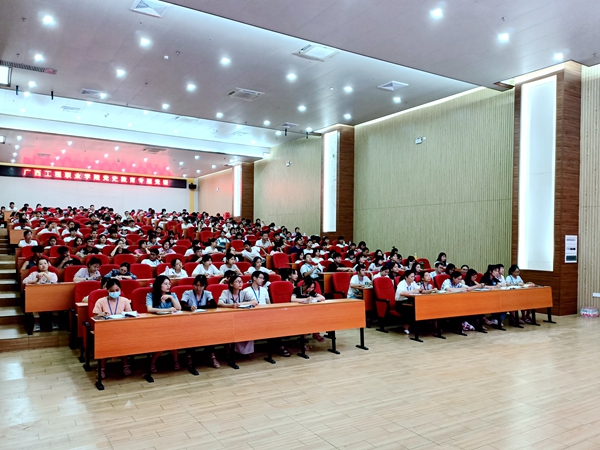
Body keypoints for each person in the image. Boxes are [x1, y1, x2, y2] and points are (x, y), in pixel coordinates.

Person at [92, 279, 133, 378]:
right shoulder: (101, 301)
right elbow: (94, 317)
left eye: (117, 290)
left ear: (120, 289)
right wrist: (101, 314)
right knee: (106, 343)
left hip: (121, 328)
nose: (115, 292)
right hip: (105, 330)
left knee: (123, 340)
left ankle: (125, 365)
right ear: (107, 290)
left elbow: (130, 315)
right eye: (112, 291)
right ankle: (101, 368)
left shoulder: (125, 300)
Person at [180, 275, 220, 372]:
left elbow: (214, 305)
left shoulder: (207, 293)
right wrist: (189, 308)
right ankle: (189, 356)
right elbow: (181, 306)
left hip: (204, 321)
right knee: (191, 335)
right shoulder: (187, 293)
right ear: (193, 285)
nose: (198, 288)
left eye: (201, 286)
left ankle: (212, 355)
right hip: (190, 321)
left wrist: (199, 307)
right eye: (196, 285)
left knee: (210, 333)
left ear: (204, 286)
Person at [145, 275, 182, 372]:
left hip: (171, 324)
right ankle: (152, 362)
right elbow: (150, 309)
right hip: (156, 324)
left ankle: (175, 360)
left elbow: (179, 308)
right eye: (165, 284)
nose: (168, 286)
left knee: (173, 339)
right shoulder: (150, 295)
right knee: (164, 341)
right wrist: (168, 309)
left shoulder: (172, 295)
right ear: (159, 285)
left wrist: (171, 297)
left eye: (169, 284)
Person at [218, 274, 258, 355]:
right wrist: (231, 305)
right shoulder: (225, 292)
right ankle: (230, 349)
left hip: (241, 319)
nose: (240, 283)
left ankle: (245, 352)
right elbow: (219, 303)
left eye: (241, 281)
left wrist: (240, 304)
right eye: (237, 281)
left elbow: (255, 302)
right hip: (228, 319)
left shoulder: (244, 292)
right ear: (231, 284)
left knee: (250, 328)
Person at [291, 277, 326, 343]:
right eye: (309, 287)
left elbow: (322, 298)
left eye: (312, 288)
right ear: (304, 284)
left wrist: (313, 299)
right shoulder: (297, 290)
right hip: (297, 311)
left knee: (316, 317)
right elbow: (292, 299)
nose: (311, 289)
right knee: (307, 320)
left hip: (307, 311)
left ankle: (315, 333)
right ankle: (303, 339)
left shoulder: (311, 291)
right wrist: (305, 299)